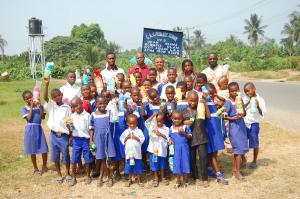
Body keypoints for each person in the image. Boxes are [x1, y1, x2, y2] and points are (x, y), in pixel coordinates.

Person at [44, 77, 72, 184]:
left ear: (62, 95)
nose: (57, 97)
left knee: (66, 155)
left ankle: (68, 173)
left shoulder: (67, 107)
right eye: (54, 96)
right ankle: (59, 175)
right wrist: (46, 84)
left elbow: (70, 122)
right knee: (55, 156)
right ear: (53, 98)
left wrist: (71, 135)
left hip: (64, 136)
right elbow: (45, 97)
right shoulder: (51, 105)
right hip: (54, 135)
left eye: (59, 95)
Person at [183, 91, 210, 187]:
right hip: (190, 138)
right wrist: (188, 121)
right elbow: (181, 123)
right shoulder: (184, 111)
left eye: (195, 101)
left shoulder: (200, 108)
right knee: (192, 159)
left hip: (201, 137)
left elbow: (208, 116)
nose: (193, 103)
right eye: (191, 101)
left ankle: (205, 178)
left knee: (203, 158)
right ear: (187, 100)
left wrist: (205, 104)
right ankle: (195, 177)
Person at [203, 83, 229, 185]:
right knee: (212, 153)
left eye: (214, 94)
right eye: (211, 94)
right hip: (210, 129)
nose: (213, 96)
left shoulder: (213, 103)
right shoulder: (205, 103)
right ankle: (218, 175)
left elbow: (223, 104)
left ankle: (211, 169)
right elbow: (208, 117)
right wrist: (205, 101)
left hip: (216, 129)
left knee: (213, 152)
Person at [224, 82, 249, 180]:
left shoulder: (239, 100)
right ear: (229, 92)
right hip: (234, 128)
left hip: (241, 127)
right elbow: (224, 116)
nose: (234, 92)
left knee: (238, 151)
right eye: (232, 91)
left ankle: (235, 170)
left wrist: (242, 104)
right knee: (238, 151)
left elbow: (244, 114)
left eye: (236, 90)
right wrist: (235, 118)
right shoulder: (228, 102)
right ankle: (238, 173)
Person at [90, 97, 116, 187]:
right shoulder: (93, 115)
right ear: (96, 104)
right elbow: (91, 129)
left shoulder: (109, 113)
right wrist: (91, 140)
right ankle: (105, 177)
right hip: (98, 139)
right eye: (100, 104)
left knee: (107, 159)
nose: (102, 105)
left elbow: (113, 123)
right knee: (101, 159)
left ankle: (107, 177)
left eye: (104, 103)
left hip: (107, 138)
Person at [21, 90, 48, 175]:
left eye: (30, 97)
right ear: (24, 100)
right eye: (27, 98)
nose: (29, 99)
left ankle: (44, 165)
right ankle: (35, 168)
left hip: (39, 128)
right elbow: (28, 118)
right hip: (30, 129)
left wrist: (40, 106)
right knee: (32, 149)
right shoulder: (24, 108)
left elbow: (43, 117)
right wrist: (32, 106)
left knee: (44, 148)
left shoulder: (40, 106)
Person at [68, 97, 93, 186]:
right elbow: (72, 128)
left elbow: (90, 129)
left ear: (81, 103)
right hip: (76, 140)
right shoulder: (72, 116)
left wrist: (91, 140)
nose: (76, 108)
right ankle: (74, 178)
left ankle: (88, 176)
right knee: (74, 159)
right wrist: (70, 131)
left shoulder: (87, 116)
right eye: (73, 107)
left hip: (85, 140)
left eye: (77, 105)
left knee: (87, 159)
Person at [243, 82, 267, 169]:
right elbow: (241, 108)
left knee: (255, 143)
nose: (247, 93)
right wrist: (249, 101)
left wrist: (257, 106)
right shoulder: (245, 98)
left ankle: (254, 161)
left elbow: (262, 114)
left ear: (254, 89)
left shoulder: (260, 99)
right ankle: (243, 158)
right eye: (245, 91)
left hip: (254, 124)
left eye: (248, 91)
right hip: (245, 123)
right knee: (243, 141)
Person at [145, 112, 170, 187]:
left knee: (162, 164)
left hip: (162, 151)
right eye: (157, 121)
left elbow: (168, 139)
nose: (159, 123)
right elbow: (146, 122)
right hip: (154, 150)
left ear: (163, 120)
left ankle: (162, 177)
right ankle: (155, 178)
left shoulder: (166, 129)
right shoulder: (152, 127)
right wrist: (153, 115)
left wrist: (161, 134)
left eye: (160, 121)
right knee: (154, 163)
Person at [120, 114, 145, 187]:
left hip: (137, 154)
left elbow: (142, 140)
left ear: (137, 123)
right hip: (129, 154)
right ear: (127, 123)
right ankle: (129, 179)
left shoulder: (139, 131)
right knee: (129, 167)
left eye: (134, 123)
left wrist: (135, 137)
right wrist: (126, 138)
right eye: (130, 123)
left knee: (138, 166)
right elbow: (122, 140)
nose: (132, 125)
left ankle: (139, 180)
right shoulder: (126, 131)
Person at [169, 110, 192, 188]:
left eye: (179, 119)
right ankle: (178, 180)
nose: (177, 120)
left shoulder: (185, 127)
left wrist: (184, 133)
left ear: (182, 119)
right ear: (172, 119)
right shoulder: (171, 128)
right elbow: (170, 138)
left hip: (184, 149)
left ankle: (186, 180)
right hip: (175, 150)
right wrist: (170, 141)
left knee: (185, 163)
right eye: (175, 119)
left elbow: (190, 136)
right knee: (176, 165)